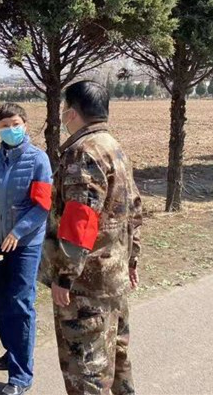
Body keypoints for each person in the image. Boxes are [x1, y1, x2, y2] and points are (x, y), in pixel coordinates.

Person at [39, 80, 143, 395]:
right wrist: (132, 259)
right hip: (114, 275)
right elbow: (134, 209)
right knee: (117, 359)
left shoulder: (83, 152)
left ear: (71, 112)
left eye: (63, 109)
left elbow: (79, 220)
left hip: (87, 284)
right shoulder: (113, 147)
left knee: (86, 371)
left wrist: (65, 276)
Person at [0, 103, 52, 395]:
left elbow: (42, 206)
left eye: (15, 124)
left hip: (24, 244)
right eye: (4, 126)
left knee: (21, 303)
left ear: (25, 124)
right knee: (2, 299)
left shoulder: (38, 159)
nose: (11, 129)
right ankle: (12, 351)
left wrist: (18, 231)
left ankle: (21, 375)